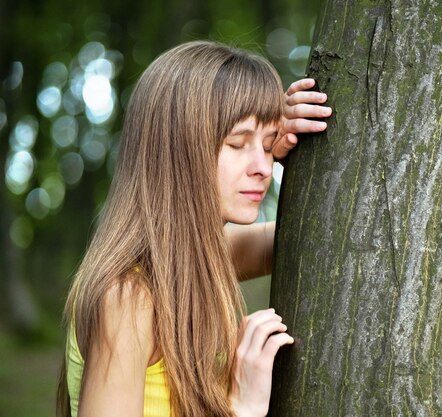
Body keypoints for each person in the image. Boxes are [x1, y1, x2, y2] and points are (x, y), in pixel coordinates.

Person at [56, 40, 332, 417]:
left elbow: (304, 239)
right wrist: (243, 409)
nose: (263, 167)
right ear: (179, 148)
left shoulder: (191, 260)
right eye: (237, 143)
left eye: (268, 148)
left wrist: (291, 146)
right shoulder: (128, 296)